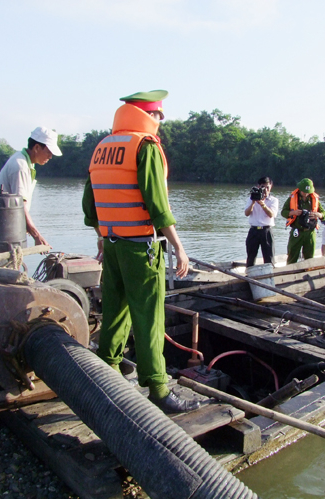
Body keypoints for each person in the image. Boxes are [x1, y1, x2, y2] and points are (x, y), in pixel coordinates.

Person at [82, 89, 198, 414]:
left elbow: (90, 207)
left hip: (114, 245)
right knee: (148, 316)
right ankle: (159, 390)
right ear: (149, 115)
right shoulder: (144, 147)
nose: (161, 122)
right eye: (159, 116)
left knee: (114, 311)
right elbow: (157, 206)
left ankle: (106, 371)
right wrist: (179, 247)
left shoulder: (102, 148)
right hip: (141, 249)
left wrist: (103, 238)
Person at [0, 126, 61, 257]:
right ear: (37, 148)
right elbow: (20, 205)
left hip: (6, 229)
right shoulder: (20, 166)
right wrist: (37, 236)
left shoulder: (27, 163)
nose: (50, 156)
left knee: (8, 271)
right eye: (49, 151)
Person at [281, 178, 325, 264]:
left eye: (307, 192)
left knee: (309, 258)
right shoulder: (292, 198)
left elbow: (323, 214)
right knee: (292, 255)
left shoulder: (314, 199)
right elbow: (283, 212)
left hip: (310, 232)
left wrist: (318, 215)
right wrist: (293, 212)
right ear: (300, 189)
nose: (305, 194)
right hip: (297, 231)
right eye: (303, 192)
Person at [244, 177, 279, 267]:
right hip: (254, 230)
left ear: (271, 186)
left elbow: (271, 214)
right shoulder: (252, 198)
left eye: (268, 187)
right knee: (251, 257)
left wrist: (262, 204)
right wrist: (253, 202)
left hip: (266, 230)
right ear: (258, 186)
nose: (265, 190)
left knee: (269, 258)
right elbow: (247, 213)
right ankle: (249, 276)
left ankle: (269, 275)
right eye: (263, 187)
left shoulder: (273, 200)